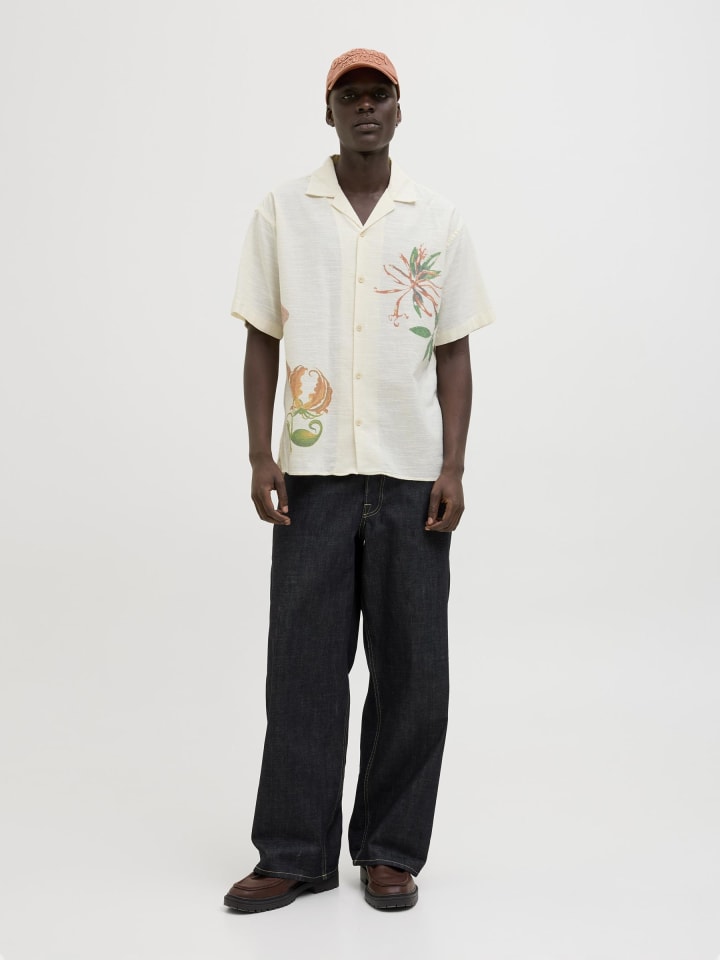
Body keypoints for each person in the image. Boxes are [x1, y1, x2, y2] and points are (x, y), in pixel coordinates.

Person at [224, 48, 494, 913]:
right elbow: (262, 338)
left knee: (414, 670)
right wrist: (260, 454)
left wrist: (453, 465)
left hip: (412, 476)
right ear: (330, 112)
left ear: (399, 111)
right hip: (313, 479)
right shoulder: (282, 212)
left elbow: (454, 352)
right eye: (351, 97)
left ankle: (389, 849)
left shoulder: (437, 219)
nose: (366, 108)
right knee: (302, 668)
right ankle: (294, 852)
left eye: (380, 96)